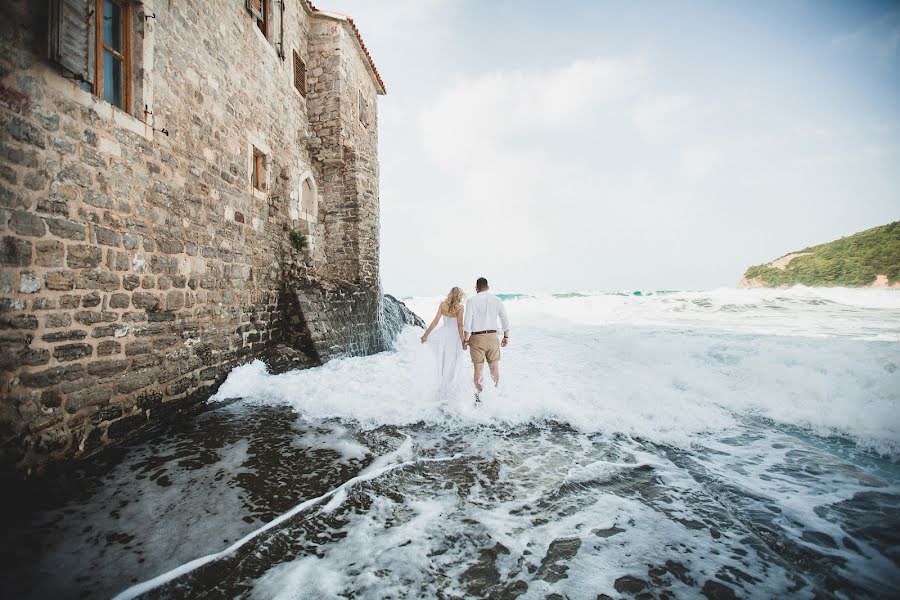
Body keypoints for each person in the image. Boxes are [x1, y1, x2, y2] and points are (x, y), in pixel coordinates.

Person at [462, 277, 510, 400]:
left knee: (478, 369)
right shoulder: (497, 300)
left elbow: (467, 323)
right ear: (487, 287)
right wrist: (506, 336)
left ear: (476, 288)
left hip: (477, 337)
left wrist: (466, 340)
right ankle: (494, 394)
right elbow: (504, 319)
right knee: (494, 367)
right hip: (493, 337)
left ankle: (479, 396)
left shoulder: (471, 301)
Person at [420, 286, 467, 393]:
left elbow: (435, 321)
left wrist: (426, 335)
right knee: (453, 361)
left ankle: (441, 386)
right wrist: (463, 340)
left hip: (443, 334)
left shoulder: (442, 305)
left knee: (442, 359)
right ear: (459, 296)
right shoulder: (460, 307)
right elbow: (460, 325)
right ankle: (451, 387)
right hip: (454, 337)